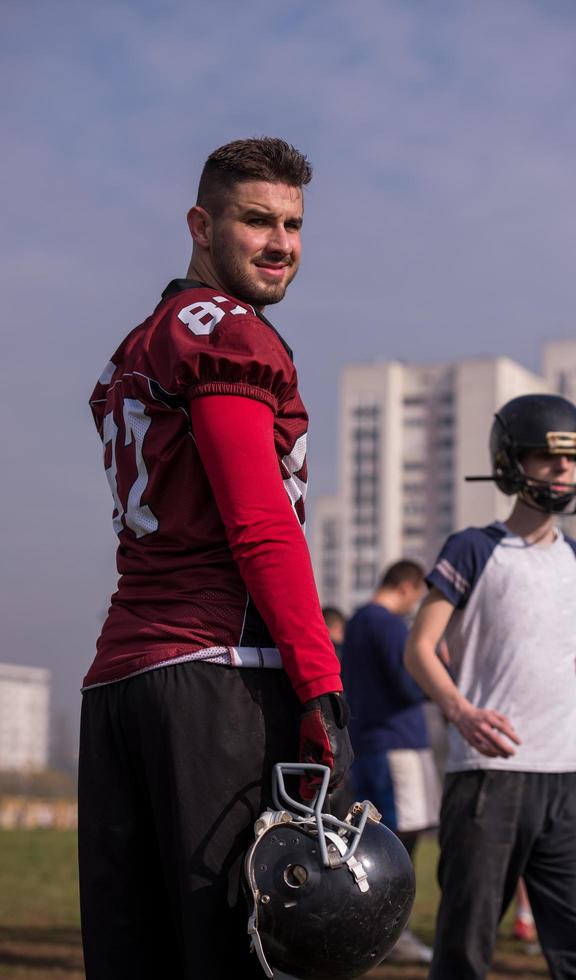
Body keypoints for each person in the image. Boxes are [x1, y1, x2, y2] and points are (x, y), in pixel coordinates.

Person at [78, 137, 353, 980]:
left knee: (138, 955)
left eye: (294, 225)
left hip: (121, 683)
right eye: (257, 221)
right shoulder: (229, 333)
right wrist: (321, 683)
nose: (280, 243)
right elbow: (260, 523)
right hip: (215, 678)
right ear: (203, 225)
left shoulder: (140, 343)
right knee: (242, 955)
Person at [405, 393, 576, 980]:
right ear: (511, 462)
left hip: (571, 777)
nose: (563, 471)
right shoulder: (472, 548)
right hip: (487, 776)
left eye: (572, 460)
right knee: (464, 953)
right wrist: (460, 711)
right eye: (549, 457)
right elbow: (418, 649)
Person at [341, 559, 440, 966]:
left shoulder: (359, 622)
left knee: (376, 841)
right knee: (399, 843)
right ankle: (391, 933)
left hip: (371, 744)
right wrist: (439, 674)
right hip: (397, 745)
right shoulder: (388, 624)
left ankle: (375, 929)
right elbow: (407, 682)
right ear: (409, 586)